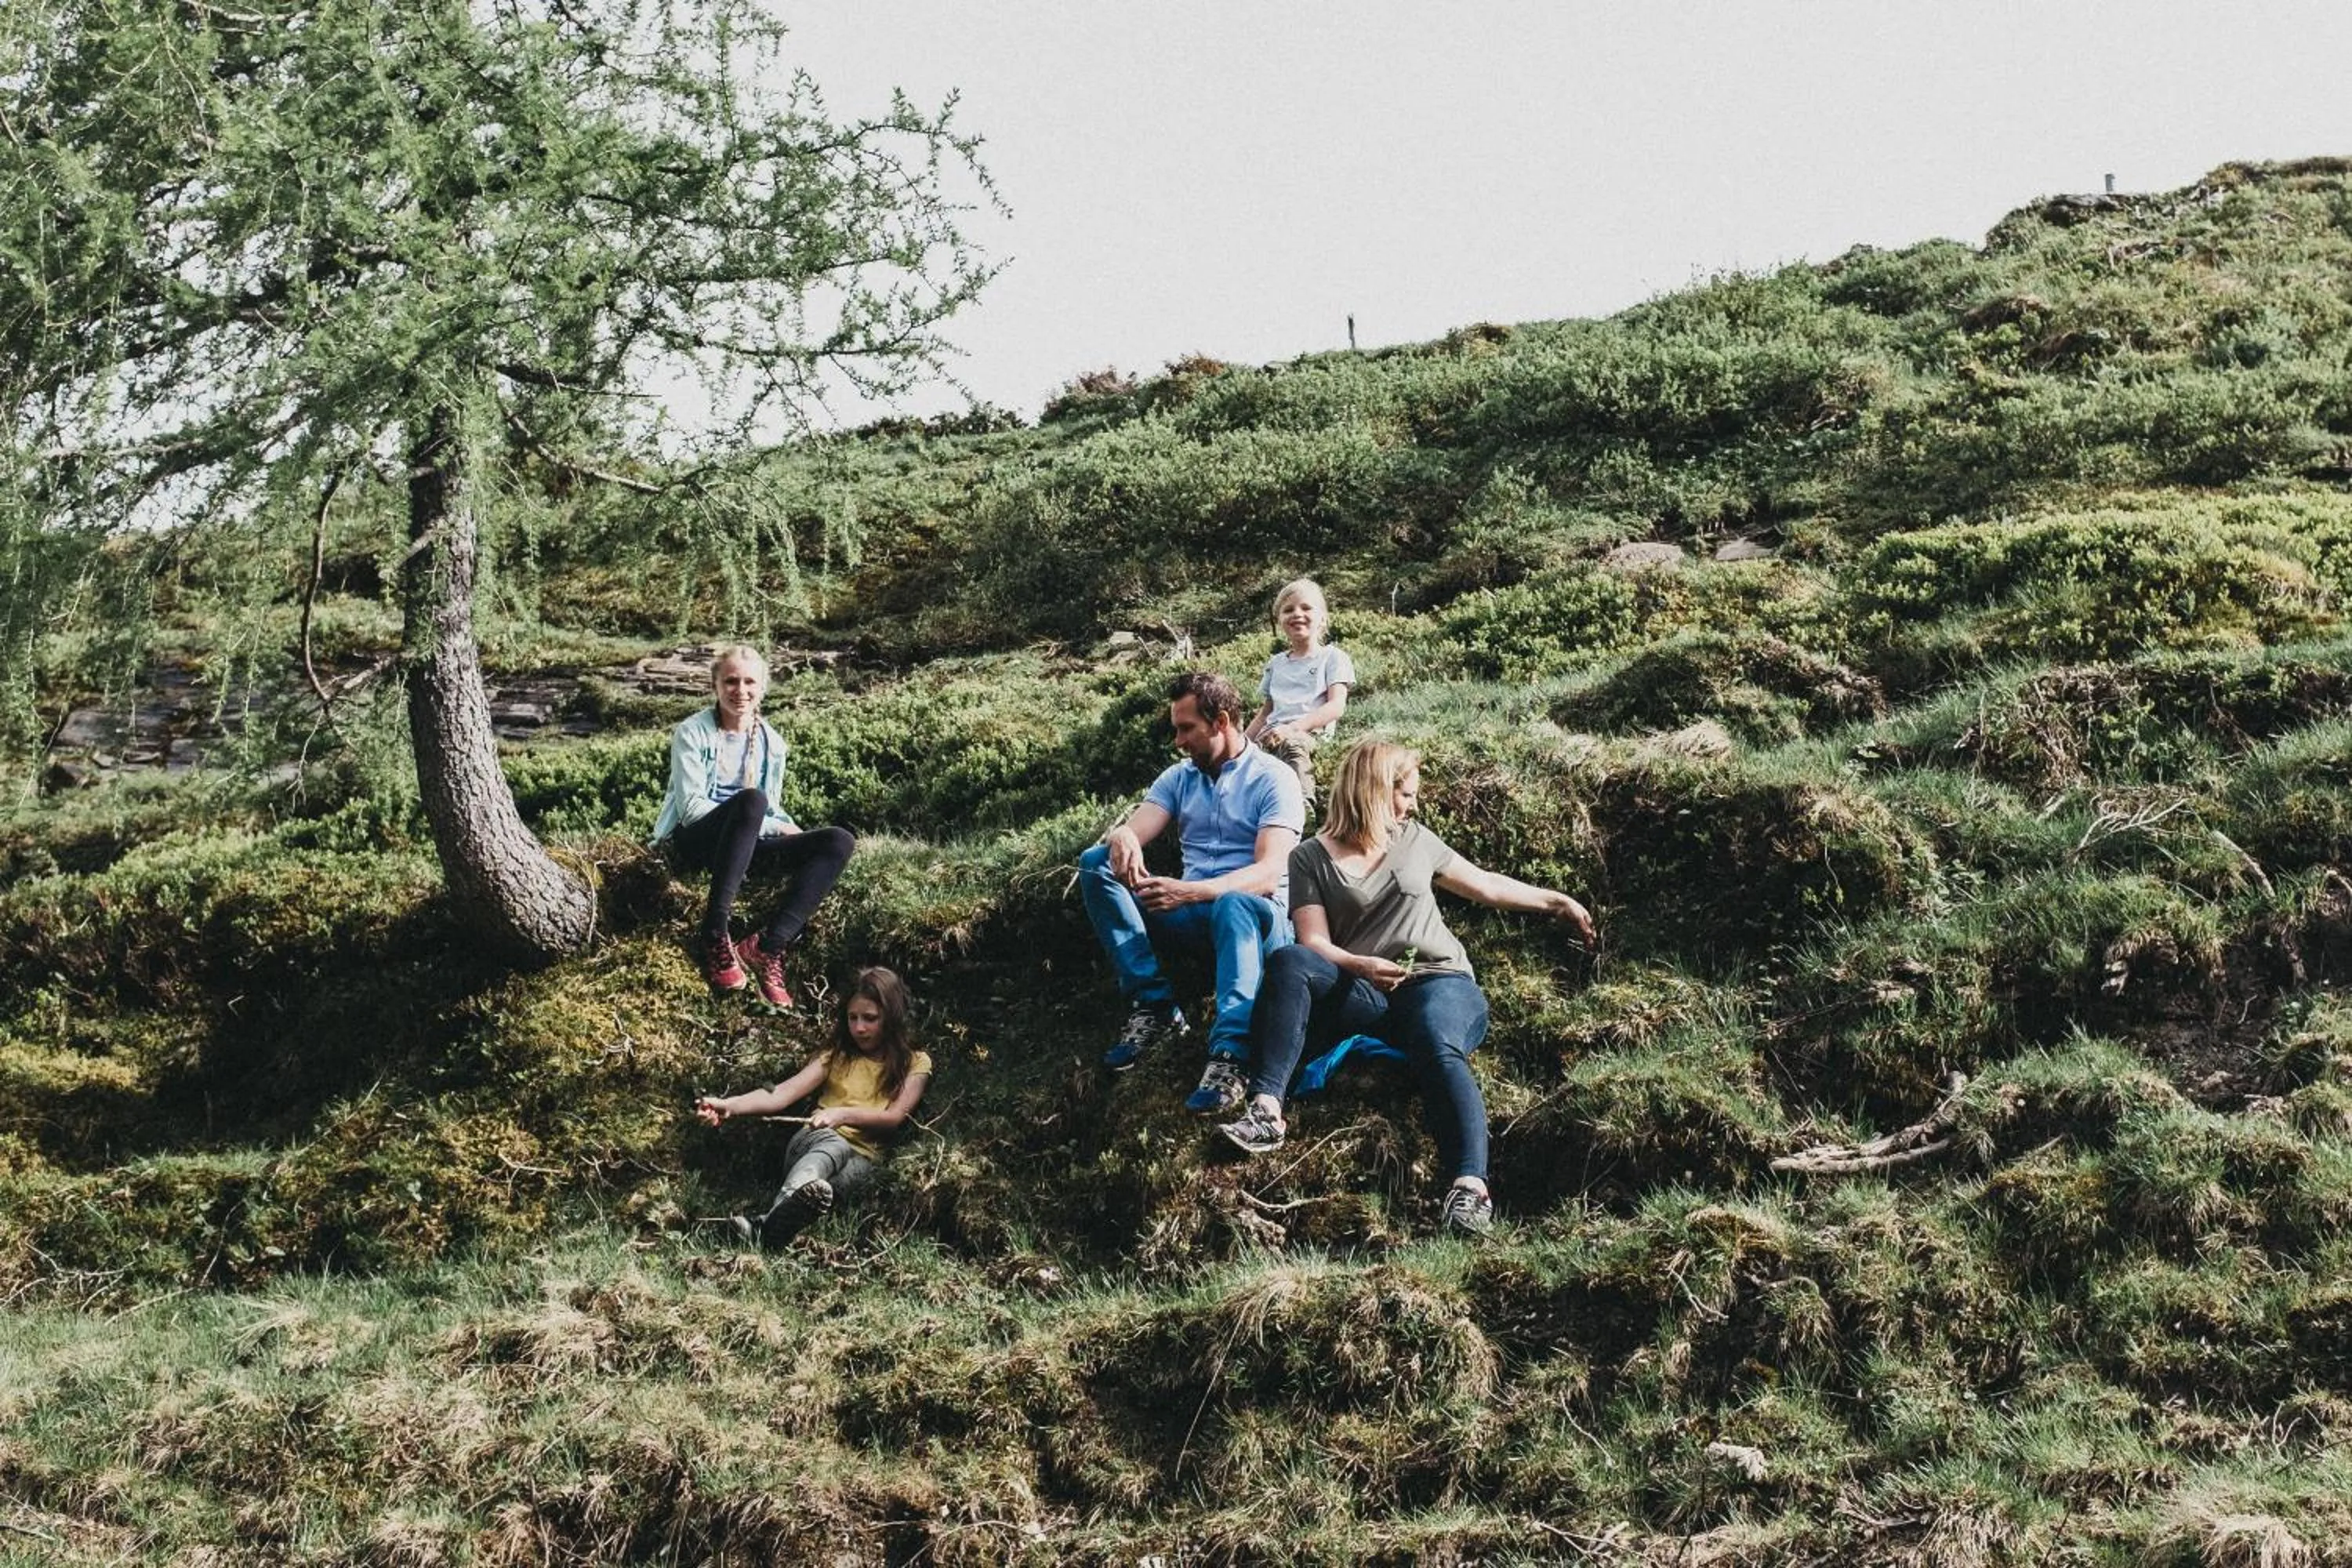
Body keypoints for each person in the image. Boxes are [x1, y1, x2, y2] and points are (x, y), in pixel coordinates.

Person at [1215, 738, 1594, 1237]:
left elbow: (1485, 884)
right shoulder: (1309, 858)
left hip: (1439, 982)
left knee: (1436, 1039)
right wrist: (1360, 965)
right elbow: (1314, 942)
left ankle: (1470, 1188)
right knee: (1290, 961)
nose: (1413, 806)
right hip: (1367, 991)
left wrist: (1556, 902)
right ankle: (1267, 1110)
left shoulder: (1415, 839)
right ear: (1375, 790)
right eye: (1406, 794)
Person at [1080, 670, 1305, 1117]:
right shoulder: (1179, 777)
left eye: (1187, 729)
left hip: (1260, 922)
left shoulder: (1274, 778)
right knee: (1095, 862)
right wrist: (1122, 834)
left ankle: (1231, 1056)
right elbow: (1137, 829)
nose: (1178, 741)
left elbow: (1267, 874)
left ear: (1221, 722)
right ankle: (1155, 1006)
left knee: (1235, 904)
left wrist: (1190, 892)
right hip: (1194, 913)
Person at [652, 644, 855, 1008]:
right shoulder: (692, 732)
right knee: (752, 801)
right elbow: (692, 811)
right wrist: (771, 825)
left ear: (762, 687)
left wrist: (787, 828)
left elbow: (771, 808)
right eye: (730, 681)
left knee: (838, 841)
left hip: (744, 844)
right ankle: (715, 932)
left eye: (749, 682)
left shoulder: (771, 743)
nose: (740, 691)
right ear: (715, 685)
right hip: (695, 841)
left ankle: (768, 946)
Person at [695, 966, 932, 1247]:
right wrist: (729, 1106)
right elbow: (780, 1093)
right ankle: (780, 1211)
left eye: (870, 1018)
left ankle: (762, 1228)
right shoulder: (836, 1056)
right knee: (835, 1146)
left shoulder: (915, 1062)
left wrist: (842, 1114)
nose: (859, 1028)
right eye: (853, 1017)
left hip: (863, 1159)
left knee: (825, 1191)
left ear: (891, 1017)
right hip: (814, 1142)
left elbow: (894, 1117)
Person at [1241, 578, 1353, 807]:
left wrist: (1292, 729)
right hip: (1272, 734)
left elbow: (1336, 706)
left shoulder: (1333, 657)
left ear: (1323, 618)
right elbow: (1266, 713)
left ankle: (1301, 805)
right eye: (1288, 610)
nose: (1297, 614)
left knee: (1293, 747)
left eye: (1306, 608)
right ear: (1280, 620)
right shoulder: (1276, 663)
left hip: (1309, 734)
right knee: (1245, 764)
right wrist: (1241, 744)